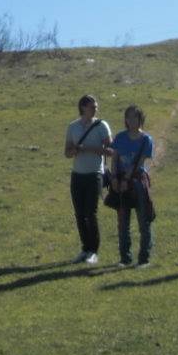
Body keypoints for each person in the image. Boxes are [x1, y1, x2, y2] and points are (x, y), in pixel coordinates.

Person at [64, 94, 112, 265]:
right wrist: (75, 150)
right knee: (79, 214)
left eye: (96, 106)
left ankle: (94, 251)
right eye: (92, 106)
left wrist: (88, 148)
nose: (95, 109)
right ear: (83, 107)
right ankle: (85, 248)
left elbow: (110, 151)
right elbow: (67, 153)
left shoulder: (102, 126)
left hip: (94, 174)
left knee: (90, 213)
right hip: (77, 175)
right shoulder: (73, 127)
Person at [108, 105, 155, 267]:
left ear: (140, 119)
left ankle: (144, 259)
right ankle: (125, 259)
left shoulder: (146, 140)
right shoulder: (120, 137)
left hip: (137, 182)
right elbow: (114, 159)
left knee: (144, 220)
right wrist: (114, 178)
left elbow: (140, 162)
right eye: (129, 117)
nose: (131, 120)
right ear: (125, 120)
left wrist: (125, 180)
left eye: (135, 117)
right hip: (120, 182)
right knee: (123, 223)